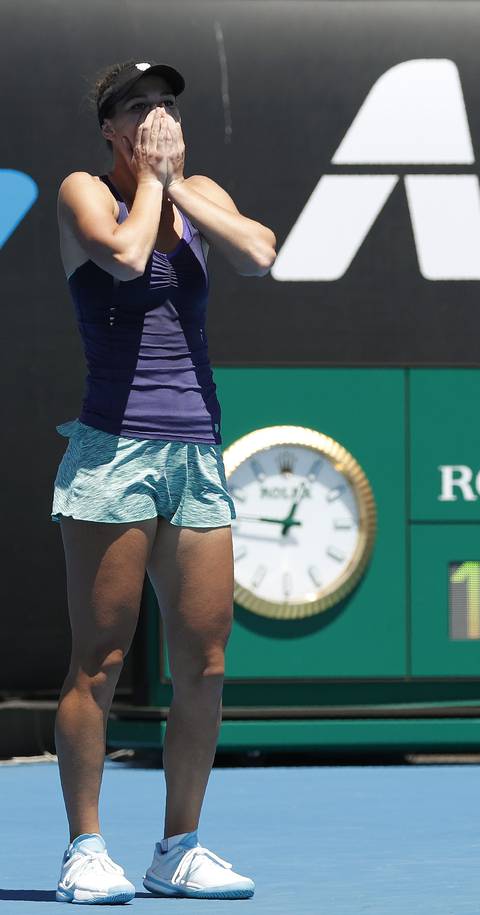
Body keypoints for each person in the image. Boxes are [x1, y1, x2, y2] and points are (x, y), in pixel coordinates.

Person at [51, 59, 276, 904]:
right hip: (113, 453)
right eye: (139, 107)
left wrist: (179, 187)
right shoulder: (84, 191)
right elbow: (125, 253)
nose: (157, 116)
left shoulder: (196, 188)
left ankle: (178, 846)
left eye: (166, 105)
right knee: (99, 662)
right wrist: (152, 182)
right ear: (111, 128)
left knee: (207, 663)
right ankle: (85, 847)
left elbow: (257, 252)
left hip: (198, 455)